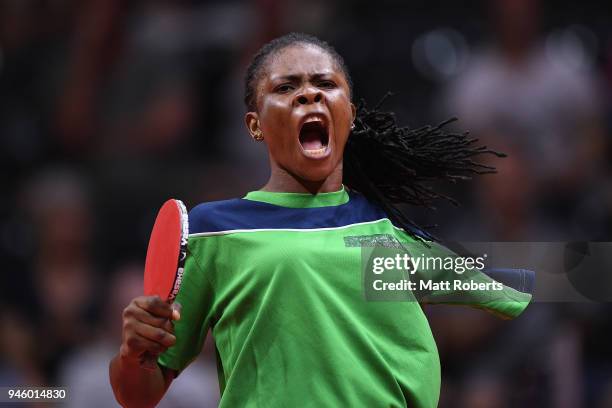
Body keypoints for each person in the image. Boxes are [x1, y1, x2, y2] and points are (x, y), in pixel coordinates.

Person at [109, 33, 532, 407]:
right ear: (255, 126)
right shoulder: (216, 230)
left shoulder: (386, 237)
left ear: (348, 113)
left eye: (325, 84)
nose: (309, 94)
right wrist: (134, 356)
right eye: (286, 87)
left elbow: (538, 278)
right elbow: (138, 395)